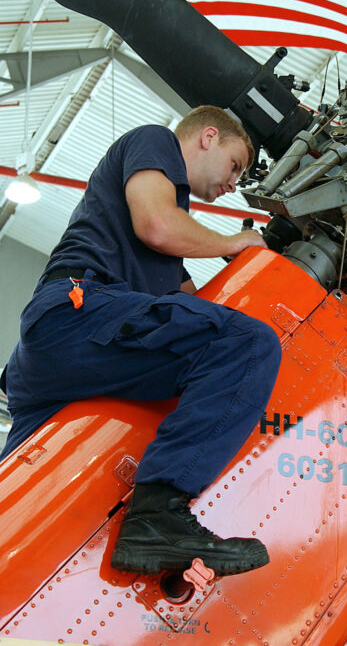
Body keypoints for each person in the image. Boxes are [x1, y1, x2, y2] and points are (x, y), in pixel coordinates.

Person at [0, 105, 282, 577]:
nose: (235, 183)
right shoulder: (156, 142)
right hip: (77, 314)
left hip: (58, 358)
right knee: (251, 345)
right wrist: (237, 243)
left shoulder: (169, 249)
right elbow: (157, 224)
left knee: (16, 501)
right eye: (236, 165)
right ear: (208, 137)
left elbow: (195, 303)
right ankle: (157, 516)